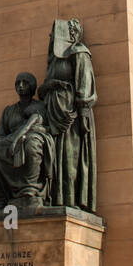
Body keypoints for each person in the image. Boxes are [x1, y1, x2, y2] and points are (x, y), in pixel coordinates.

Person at [39, 18, 97, 211]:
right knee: (54, 157)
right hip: (51, 111)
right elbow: (43, 87)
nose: (50, 36)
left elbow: (84, 84)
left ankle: (70, 200)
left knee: (69, 158)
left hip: (70, 114)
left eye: (55, 32)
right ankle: (53, 198)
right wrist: (51, 86)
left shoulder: (79, 53)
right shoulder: (53, 60)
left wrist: (82, 113)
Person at [0, 72, 54, 208]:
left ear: (32, 86)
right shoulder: (8, 110)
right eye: (18, 83)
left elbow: (40, 126)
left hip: (32, 138)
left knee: (32, 144)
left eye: (25, 83)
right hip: (10, 140)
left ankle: (30, 190)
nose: (20, 86)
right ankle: (0, 198)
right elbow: (0, 135)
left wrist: (16, 140)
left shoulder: (39, 106)